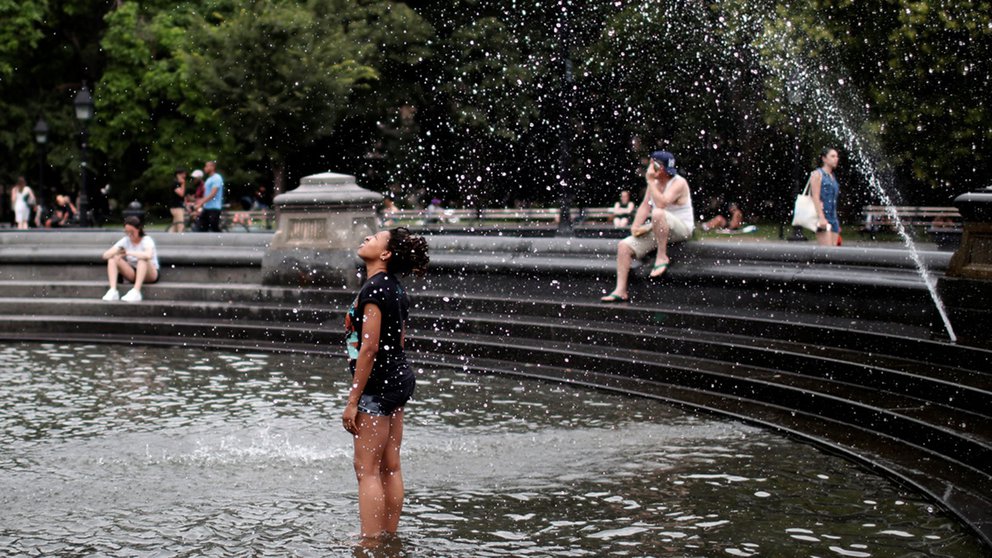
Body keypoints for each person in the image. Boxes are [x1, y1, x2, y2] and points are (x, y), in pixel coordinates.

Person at [342, 227, 430, 542]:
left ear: (386, 254)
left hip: (378, 387)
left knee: (366, 469)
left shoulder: (374, 290)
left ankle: (369, 541)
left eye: (376, 237)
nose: (366, 238)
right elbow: (401, 339)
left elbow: (369, 347)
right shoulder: (395, 288)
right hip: (398, 380)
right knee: (390, 465)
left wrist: (353, 400)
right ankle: (388, 535)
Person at [601, 151, 694, 303]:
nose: (650, 169)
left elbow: (662, 203)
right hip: (661, 228)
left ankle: (662, 255)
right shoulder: (655, 184)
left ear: (660, 168)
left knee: (658, 213)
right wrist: (635, 226)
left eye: (653, 165)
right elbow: (645, 206)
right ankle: (620, 290)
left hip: (681, 228)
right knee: (624, 246)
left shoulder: (679, 182)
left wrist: (650, 181)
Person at [101, 216, 159, 302]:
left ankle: (136, 291)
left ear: (138, 229)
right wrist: (117, 251)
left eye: (132, 232)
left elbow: (148, 255)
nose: (129, 235)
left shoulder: (146, 240)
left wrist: (128, 252)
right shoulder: (125, 241)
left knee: (142, 259)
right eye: (127, 232)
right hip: (133, 273)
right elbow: (105, 255)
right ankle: (113, 290)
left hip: (149, 273)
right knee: (112, 259)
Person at [809, 147, 841, 247]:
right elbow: (815, 196)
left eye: (836, 156)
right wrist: (821, 217)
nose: (836, 158)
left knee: (834, 252)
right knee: (826, 251)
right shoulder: (818, 174)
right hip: (823, 216)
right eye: (832, 156)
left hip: (833, 217)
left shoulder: (832, 176)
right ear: (824, 159)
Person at [195, 161, 224, 232]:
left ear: (213, 167)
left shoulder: (217, 178)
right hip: (207, 207)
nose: (205, 168)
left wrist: (201, 203)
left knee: (214, 229)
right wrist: (199, 201)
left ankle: (224, 241)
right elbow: (206, 194)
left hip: (214, 208)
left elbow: (213, 194)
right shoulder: (208, 179)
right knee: (200, 228)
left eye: (207, 166)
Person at [168, 168, 187, 233]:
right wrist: (183, 184)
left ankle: (169, 237)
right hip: (176, 207)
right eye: (183, 174)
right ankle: (181, 239)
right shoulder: (175, 184)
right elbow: (181, 194)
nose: (184, 176)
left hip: (177, 206)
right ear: (178, 175)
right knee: (180, 225)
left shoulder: (177, 184)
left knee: (175, 226)